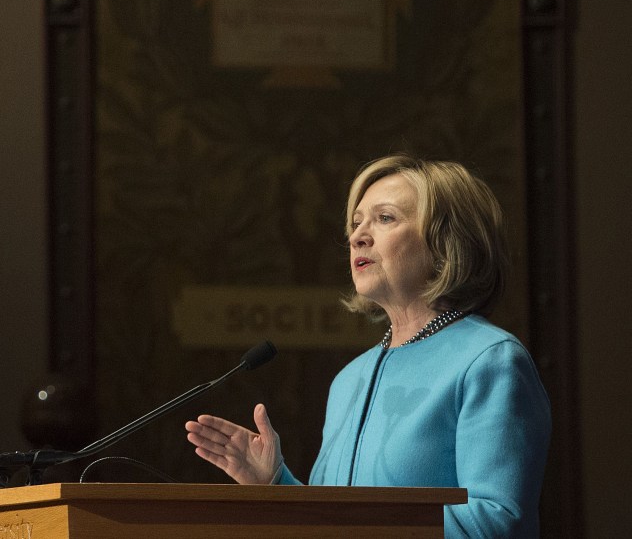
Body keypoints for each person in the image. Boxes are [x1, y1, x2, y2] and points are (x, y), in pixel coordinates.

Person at [185, 154, 551, 538]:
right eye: (356, 222)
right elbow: (332, 523)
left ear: (445, 242)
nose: (357, 235)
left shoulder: (489, 361)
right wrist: (278, 485)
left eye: (385, 218)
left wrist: (364, 520)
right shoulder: (348, 380)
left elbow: (500, 524)